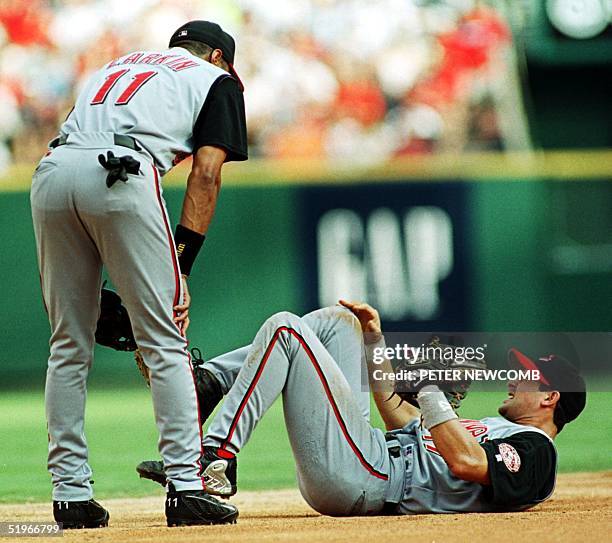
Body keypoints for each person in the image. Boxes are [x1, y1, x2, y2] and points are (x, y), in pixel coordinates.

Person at [30, 20, 247, 528]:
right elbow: (207, 172)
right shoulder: (215, 80)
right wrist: (182, 263)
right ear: (217, 56)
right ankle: (188, 488)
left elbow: (73, 126)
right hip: (122, 174)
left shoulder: (118, 64)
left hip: (54, 173)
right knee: (164, 339)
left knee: (67, 344)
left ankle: (70, 496)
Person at [137, 301, 586, 516]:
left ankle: (214, 457)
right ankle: (210, 383)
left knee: (285, 330)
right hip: (370, 452)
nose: (513, 377)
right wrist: (375, 340)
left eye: (527, 375)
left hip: (371, 479)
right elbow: (396, 413)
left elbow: (468, 463)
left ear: (550, 398)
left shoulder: (536, 452)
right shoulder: (491, 425)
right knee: (340, 322)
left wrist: (430, 389)